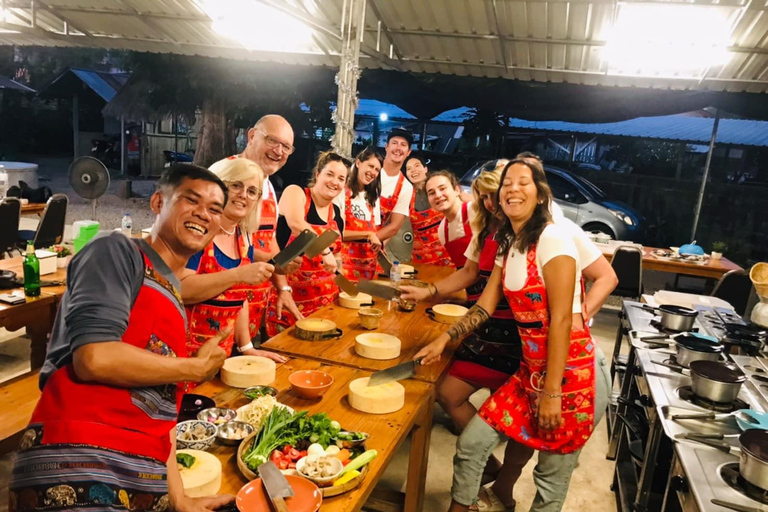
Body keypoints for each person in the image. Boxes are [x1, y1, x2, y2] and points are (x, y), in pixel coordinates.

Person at [10, 164, 235, 512]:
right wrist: (193, 368)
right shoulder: (117, 252)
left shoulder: (171, 295)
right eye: (191, 200)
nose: (203, 214)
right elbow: (94, 358)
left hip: (140, 479)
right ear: (158, 202)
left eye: (214, 209)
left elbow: (162, 419)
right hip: (77, 467)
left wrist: (181, 500)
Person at [416, 156, 611, 512]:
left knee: (549, 479)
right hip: (530, 371)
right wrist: (443, 339)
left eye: (524, 182)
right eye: (507, 184)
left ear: (540, 194)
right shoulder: (509, 243)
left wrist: (551, 393)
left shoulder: (554, 237)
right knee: (473, 444)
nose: (512, 190)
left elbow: (562, 321)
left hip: (572, 376)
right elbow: (484, 306)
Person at [181, 158, 286, 363]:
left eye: (252, 191)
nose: (243, 195)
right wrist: (237, 275)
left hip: (220, 355)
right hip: (184, 355)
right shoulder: (198, 229)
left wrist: (247, 347)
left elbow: (239, 297)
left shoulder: (244, 236)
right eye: (236, 185)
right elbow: (181, 290)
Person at [209, 114, 303, 340]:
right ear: (251, 135)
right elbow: (215, 240)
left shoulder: (267, 185)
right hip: (218, 302)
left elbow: (268, 238)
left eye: (286, 147)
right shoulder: (223, 173)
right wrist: (273, 263)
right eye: (273, 141)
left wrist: (283, 286)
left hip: (253, 303)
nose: (279, 151)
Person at [266, 151, 348, 335]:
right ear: (318, 174)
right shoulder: (296, 193)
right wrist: (325, 251)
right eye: (330, 174)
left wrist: (348, 292)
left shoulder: (337, 213)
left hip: (326, 306)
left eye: (341, 178)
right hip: (290, 301)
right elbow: (296, 224)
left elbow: (337, 256)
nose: (335, 182)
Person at [336, 147, 384, 281]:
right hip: (346, 267)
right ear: (358, 163)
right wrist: (368, 234)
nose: (373, 172)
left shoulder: (372, 196)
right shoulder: (341, 192)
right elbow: (338, 234)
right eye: (370, 166)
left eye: (377, 170)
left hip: (369, 268)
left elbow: (376, 234)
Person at [406, 155, 453, 267]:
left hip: (447, 252)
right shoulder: (406, 195)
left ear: (425, 169)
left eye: (417, 166)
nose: (413, 170)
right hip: (422, 257)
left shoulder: (441, 189)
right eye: (408, 168)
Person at [377, 128, 415, 263]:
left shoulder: (405, 187)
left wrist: (372, 243)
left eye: (403, 145)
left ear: (408, 152)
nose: (398, 148)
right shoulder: (370, 170)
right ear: (386, 147)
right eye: (394, 143)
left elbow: (394, 227)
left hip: (372, 242)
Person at [426, 170, 474, 269]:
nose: (438, 195)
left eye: (442, 188)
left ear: (457, 190)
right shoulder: (443, 230)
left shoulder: (473, 211)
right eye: (431, 193)